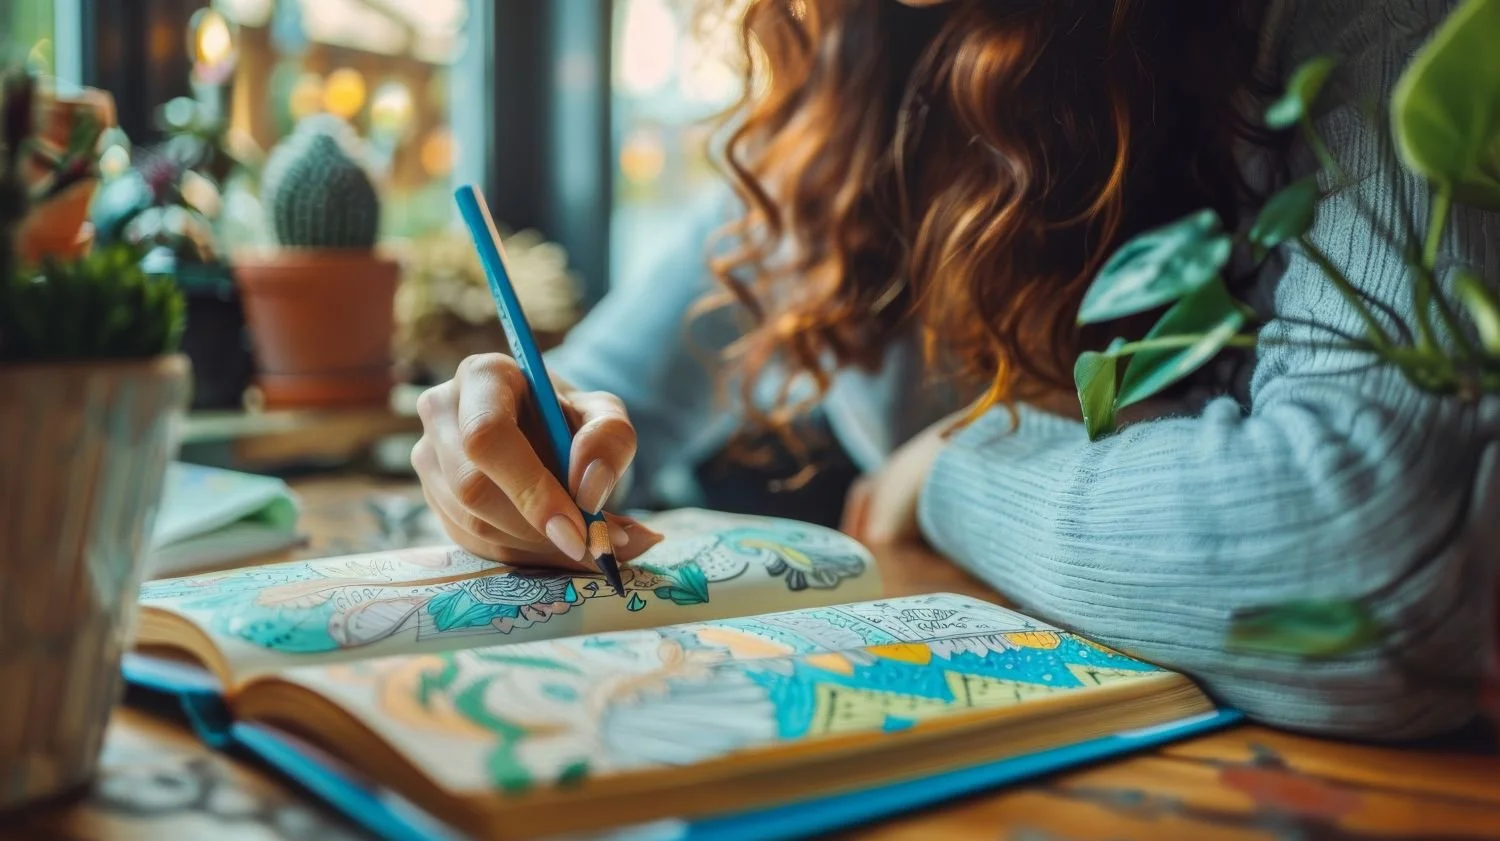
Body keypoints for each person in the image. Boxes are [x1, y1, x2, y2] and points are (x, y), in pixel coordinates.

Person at [412, 0, 1498, 739]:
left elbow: (1372, 560)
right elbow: (591, 397)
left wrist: (950, 472)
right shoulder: (833, 106)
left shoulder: (1361, 35)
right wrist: (499, 447)